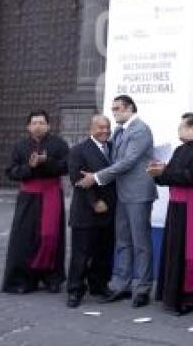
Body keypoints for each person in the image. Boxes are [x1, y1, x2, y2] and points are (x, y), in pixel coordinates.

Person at [77, 94, 157, 307]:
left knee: (141, 242)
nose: (114, 112)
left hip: (138, 194)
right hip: (121, 194)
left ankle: (142, 288)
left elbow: (128, 161)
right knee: (122, 241)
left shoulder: (140, 130)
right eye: (113, 109)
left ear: (130, 108)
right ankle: (121, 284)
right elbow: (103, 151)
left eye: (118, 108)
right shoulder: (120, 132)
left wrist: (95, 177)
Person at [148, 112, 193, 315]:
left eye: (182, 127)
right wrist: (157, 174)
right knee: (176, 249)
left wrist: (165, 173)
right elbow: (171, 174)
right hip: (178, 206)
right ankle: (174, 294)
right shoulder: (181, 148)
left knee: (190, 250)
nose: (178, 130)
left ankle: (188, 296)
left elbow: (192, 176)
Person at [2, 110, 69, 294]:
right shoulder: (20, 146)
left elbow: (66, 166)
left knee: (51, 236)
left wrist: (46, 162)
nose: (38, 126)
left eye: (41, 122)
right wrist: (29, 167)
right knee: (24, 238)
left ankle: (51, 278)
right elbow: (11, 172)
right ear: (28, 126)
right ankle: (22, 279)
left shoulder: (59, 144)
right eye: (34, 122)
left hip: (51, 194)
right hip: (28, 197)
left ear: (48, 125)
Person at [66, 115, 116, 308]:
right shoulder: (78, 150)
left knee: (103, 253)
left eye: (107, 127)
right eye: (100, 127)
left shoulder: (113, 149)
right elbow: (77, 180)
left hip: (109, 211)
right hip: (86, 212)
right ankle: (75, 290)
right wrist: (94, 202)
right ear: (90, 129)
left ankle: (99, 286)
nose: (105, 131)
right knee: (81, 254)